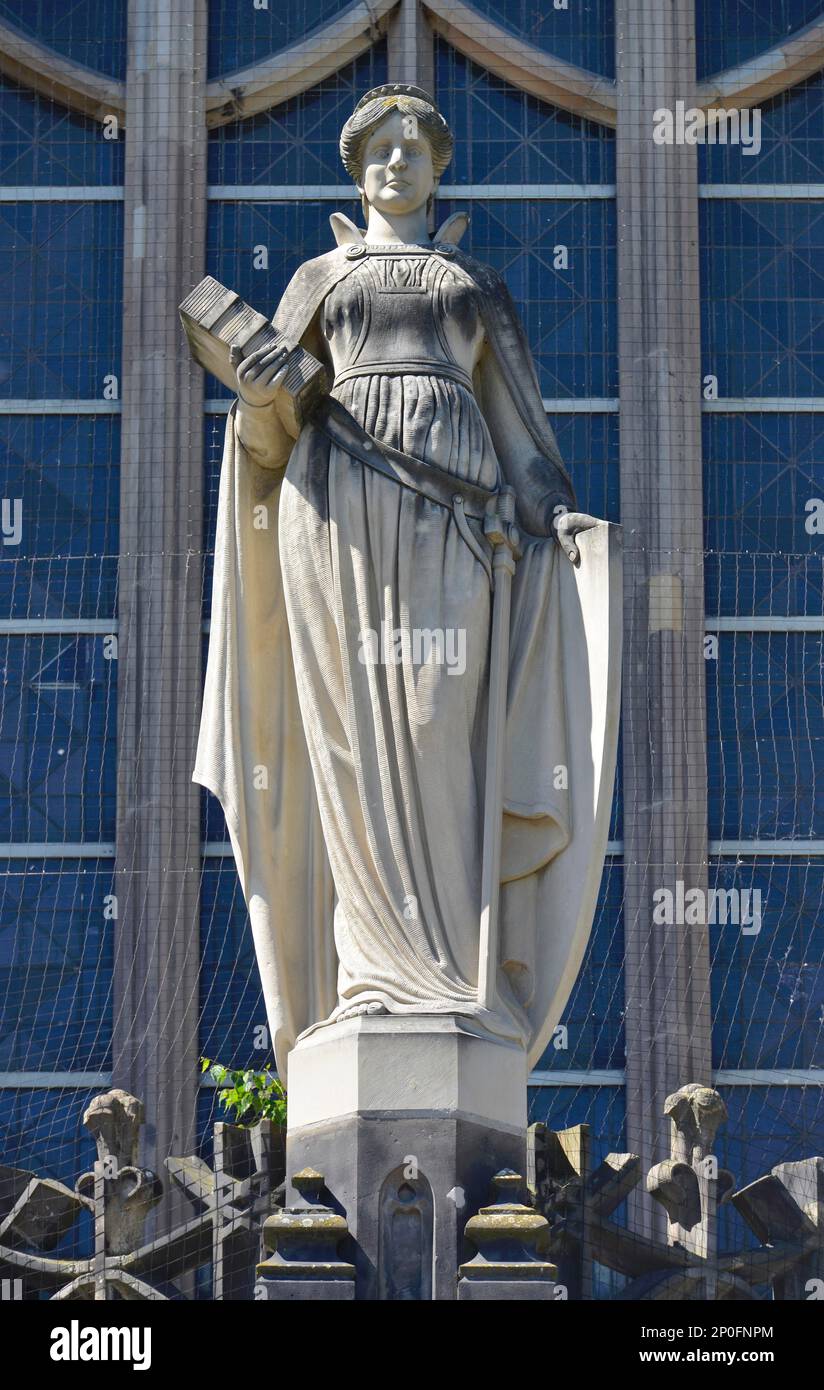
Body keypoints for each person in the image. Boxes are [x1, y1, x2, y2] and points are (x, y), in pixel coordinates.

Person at [194, 85, 616, 1076]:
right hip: (334, 515)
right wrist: (258, 396)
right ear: (355, 169)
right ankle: (367, 979)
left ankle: (446, 974)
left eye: (412, 146)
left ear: (436, 166)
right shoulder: (318, 278)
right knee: (347, 739)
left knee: (437, 726)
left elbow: (520, 437)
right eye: (378, 148)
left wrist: (561, 521)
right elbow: (264, 437)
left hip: (453, 520)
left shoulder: (470, 286)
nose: (395, 161)